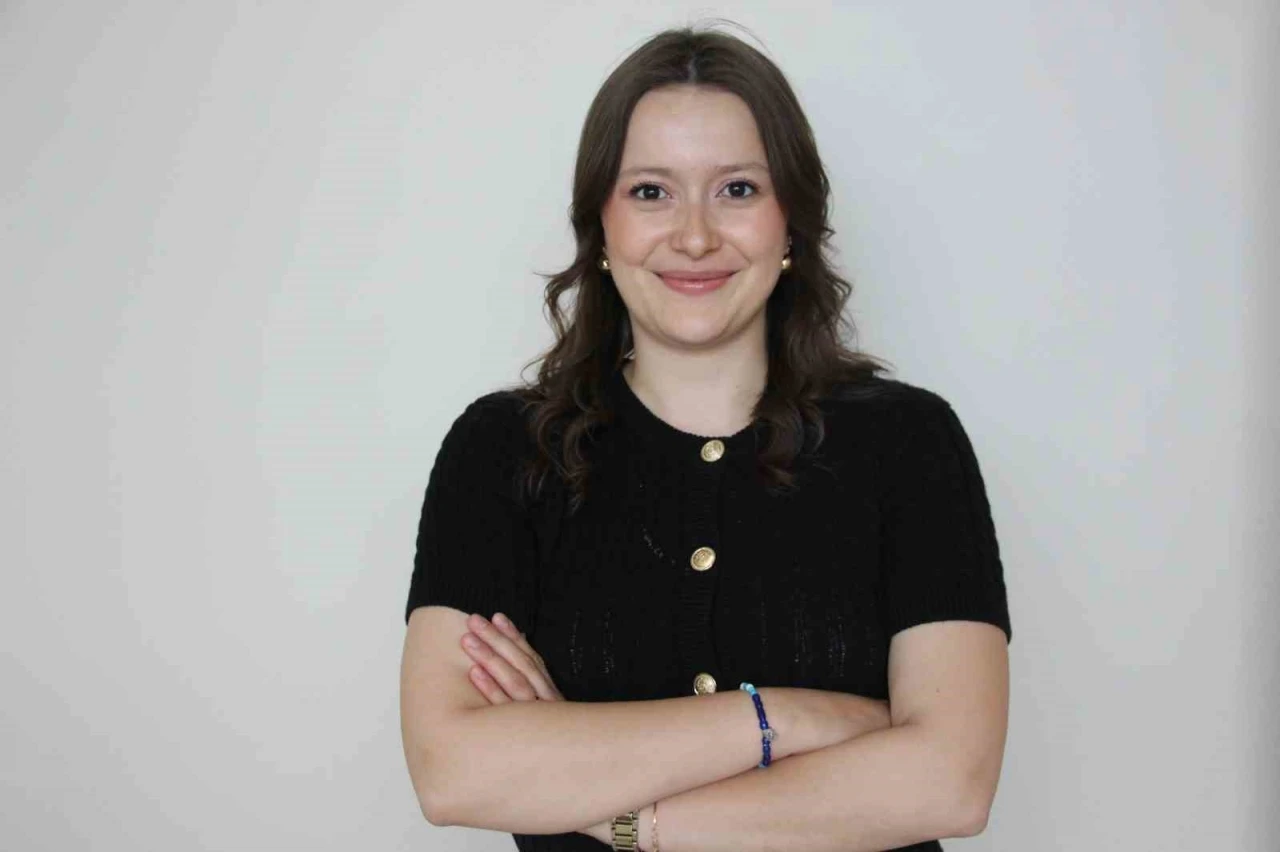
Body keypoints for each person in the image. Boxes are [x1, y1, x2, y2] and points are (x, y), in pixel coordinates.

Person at [399, 23, 1011, 852]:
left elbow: (950, 785)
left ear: (790, 223)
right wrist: (782, 720)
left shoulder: (909, 443)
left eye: (738, 190)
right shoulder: (502, 452)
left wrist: (627, 819)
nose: (694, 236)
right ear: (601, 226)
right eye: (651, 191)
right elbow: (453, 772)